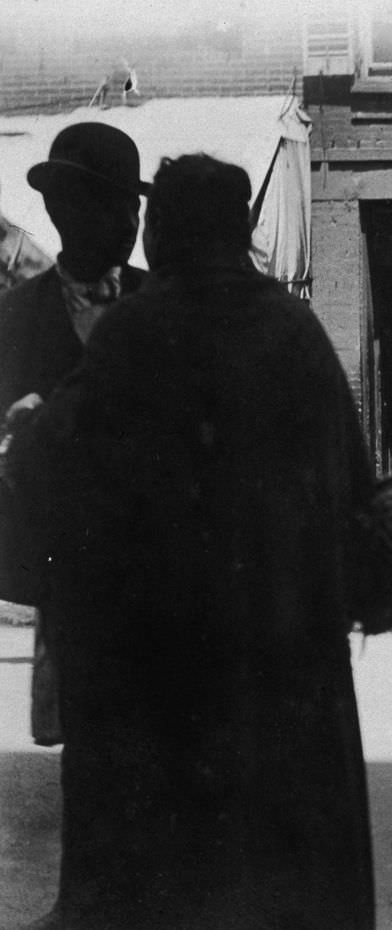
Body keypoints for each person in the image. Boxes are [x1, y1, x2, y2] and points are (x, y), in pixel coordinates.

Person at [6, 154, 376, 929]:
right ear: (239, 230)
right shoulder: (294, 326)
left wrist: (30, 424)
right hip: (285, 642)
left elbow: (51, 458)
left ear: (166, 227)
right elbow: (355, 480)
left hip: (165, 653)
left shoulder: (140, 328)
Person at [0, 123, 150, 757]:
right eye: (114, 203)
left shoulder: (164, 302)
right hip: (68, 577)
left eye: (134, 205)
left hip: (160, 575)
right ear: (63, 210)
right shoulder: (15, 318)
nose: (131, 219)